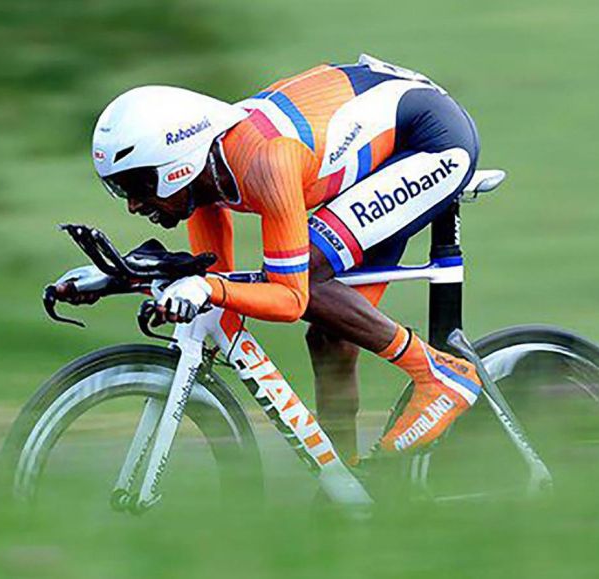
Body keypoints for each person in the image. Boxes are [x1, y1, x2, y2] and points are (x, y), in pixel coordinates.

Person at [91, 54, 483, 464]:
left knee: (306, 278)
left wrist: (208, 287)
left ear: (178, 166)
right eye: (121, 190)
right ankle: (346, 486)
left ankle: (439, 375)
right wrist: (114, 278)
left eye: (137, 185)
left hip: (430, 143)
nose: (134, 205)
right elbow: (212, 276)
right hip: (381, 139)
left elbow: (288, 298)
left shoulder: (266, 162)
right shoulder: (206, 179)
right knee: (329, 336)